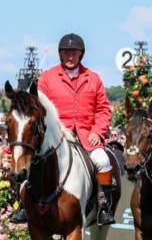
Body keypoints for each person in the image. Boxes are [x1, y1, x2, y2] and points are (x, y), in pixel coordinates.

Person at [38, 33, 115, 225]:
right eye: (66, 53)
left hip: (87, 135)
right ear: (60, 55)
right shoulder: (47, 78)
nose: (70, 57)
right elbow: (40, 109)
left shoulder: (93, 78)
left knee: (104, 161)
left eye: (74, 53)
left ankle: (103, 206)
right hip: (57, 136)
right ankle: (24, 207)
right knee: (32, 162)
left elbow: (104, 109)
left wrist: (98, 131)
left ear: (81, 54)